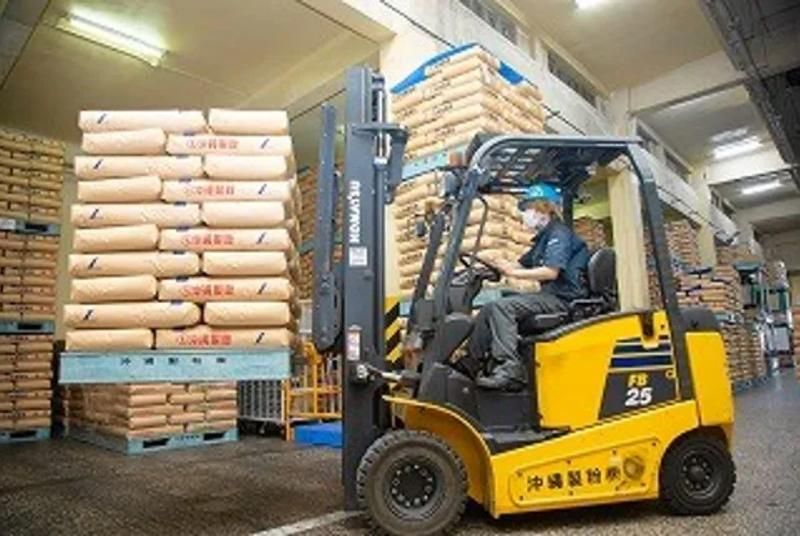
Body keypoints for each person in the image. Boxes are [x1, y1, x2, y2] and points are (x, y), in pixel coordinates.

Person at [467, 183, 590, 391]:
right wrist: (496, 263)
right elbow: (521, 264)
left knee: (502, 307)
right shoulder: (544, 239)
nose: (525, 214)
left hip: (564, 299)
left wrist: (513, 273)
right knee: (489, 308)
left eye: (528, 208)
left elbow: (551, 272)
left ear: (544, 208)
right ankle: (471, 363)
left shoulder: (559, 234)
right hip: (551, 297)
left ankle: (510, 368)